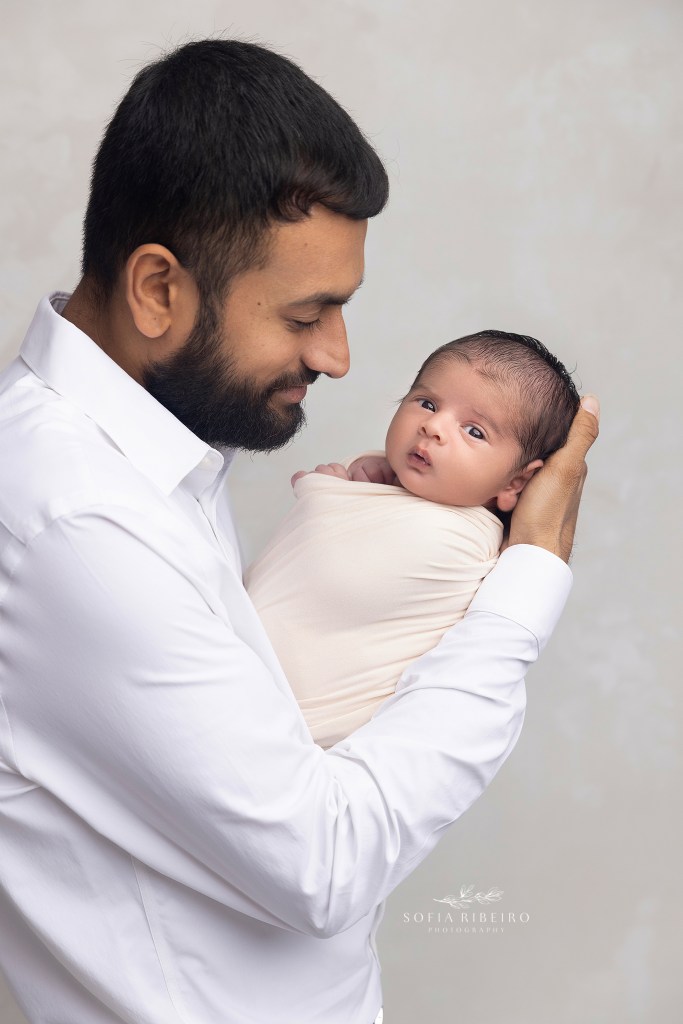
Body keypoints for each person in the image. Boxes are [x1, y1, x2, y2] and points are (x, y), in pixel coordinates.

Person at [0, 38, 598, 1024]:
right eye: (306, 314)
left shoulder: (150, 458)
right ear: (159, 289)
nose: (339, 355)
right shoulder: (77, 523)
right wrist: (527, 577)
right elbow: (323, 863)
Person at [246, 330, 581, 748]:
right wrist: (362, 480)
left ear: (515, 482)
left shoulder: (465, 540)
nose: (434, 426)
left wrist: (334, 494)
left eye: (474, 431)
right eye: (427, 402)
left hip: (297, 734)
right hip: (246, 693)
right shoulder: (388, 485)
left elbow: (333, 539)